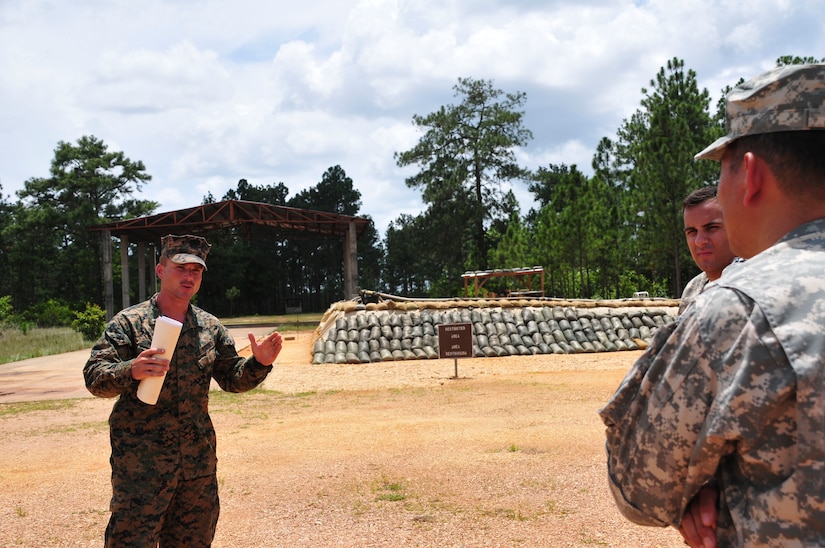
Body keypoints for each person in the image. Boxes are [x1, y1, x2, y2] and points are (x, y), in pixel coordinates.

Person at [599, 62, 825, 547]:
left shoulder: (738, 310)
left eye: (720, 172)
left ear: (750, 174)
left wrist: (707, 483)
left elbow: (638, 486)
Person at [84, 234, 283, 547]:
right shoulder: (130, 324)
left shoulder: (210, 327)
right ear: (161, 270)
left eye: (197, 270)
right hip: (142, 467)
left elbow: (232, 378)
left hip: (196, 466)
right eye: (181, 268)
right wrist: (131, 370)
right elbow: (95, 377)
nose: (189, 276)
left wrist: (258, 364)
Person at [678, 186, 737, 315]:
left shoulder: (752, 284)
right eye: (692, 232)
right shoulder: (693, 288)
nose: (700, 241)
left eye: (712, 228)